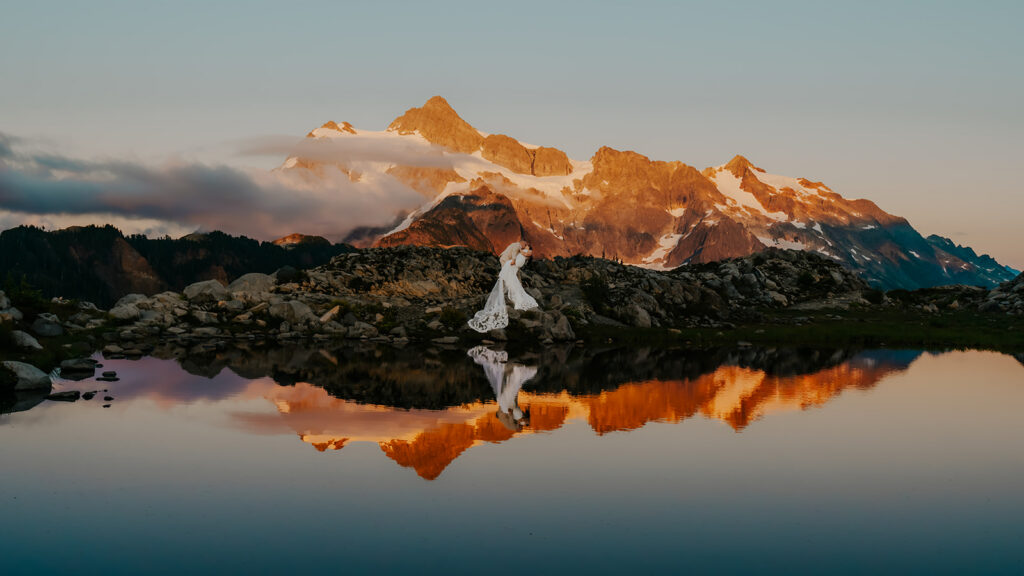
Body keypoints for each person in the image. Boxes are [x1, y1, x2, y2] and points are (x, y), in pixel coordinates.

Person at [467, 241, 539, 333]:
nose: (526, 245)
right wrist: (514, 259)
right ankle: (509, 291)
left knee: (510, 277)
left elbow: (520, 256)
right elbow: (514, 253)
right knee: (509, 278)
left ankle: (509, 290)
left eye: (527, 246)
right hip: (507, 261)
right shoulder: (518, 246)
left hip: (510, 263)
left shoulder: (523, 250)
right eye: (526, 244)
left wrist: (517, 258)